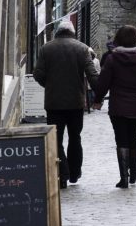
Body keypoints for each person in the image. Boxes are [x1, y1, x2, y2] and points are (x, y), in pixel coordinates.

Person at [92, 25, 136, 189]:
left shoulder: (112, 59)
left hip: (117, 106)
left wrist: (98, 99)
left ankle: (124, 177)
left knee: (121, 140)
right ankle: (133, 174)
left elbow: (103, 82)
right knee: (133, 140)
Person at [33, 21, 99, 189]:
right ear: (72, 32)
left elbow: (38, 73)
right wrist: (98, 94)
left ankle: (62, 174)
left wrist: (49, 86)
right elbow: (92, 75)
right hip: (76, 102)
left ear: (58, 32)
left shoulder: (46, 48)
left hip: (54, 103)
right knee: (75, 137)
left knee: (56, 139)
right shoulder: (82, 48)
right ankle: (75, 173)